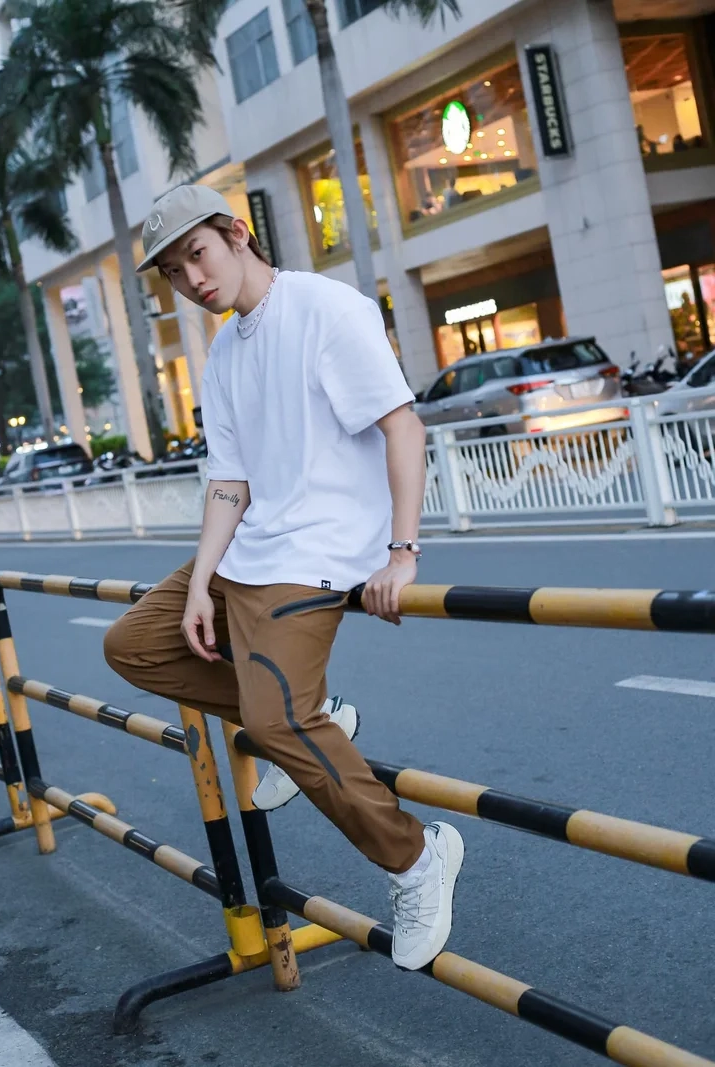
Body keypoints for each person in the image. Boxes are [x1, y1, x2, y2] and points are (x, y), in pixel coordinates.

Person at [103, 184, 465, 971]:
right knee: (132, 644)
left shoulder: (326, 309)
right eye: (174, 272)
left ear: (238, 234)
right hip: (251, 549)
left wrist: (403, 551)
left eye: (197, 254)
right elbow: (228, 482)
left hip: (318, 551)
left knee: (272, 722)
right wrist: (200, 582)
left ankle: (415, 856)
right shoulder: (224, 354)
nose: (192, 279)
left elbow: (403, 425)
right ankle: (313, 715)